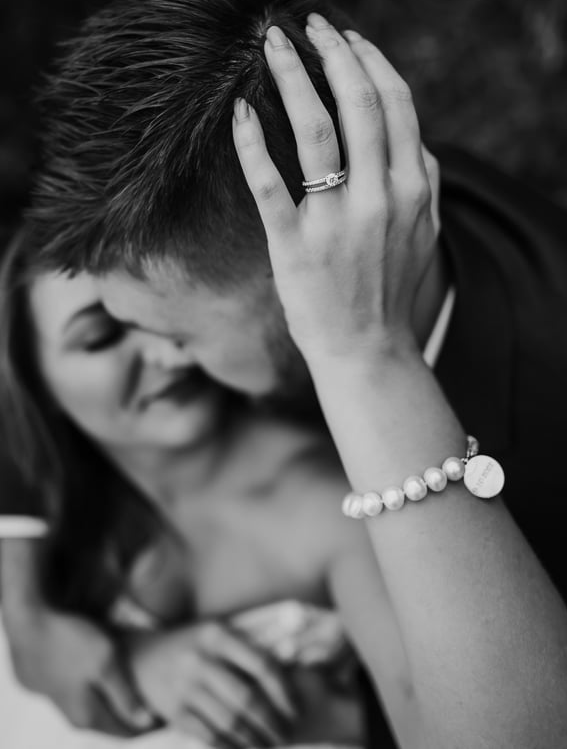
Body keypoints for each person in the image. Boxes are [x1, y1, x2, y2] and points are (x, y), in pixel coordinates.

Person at [1, 0, 567, 746]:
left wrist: (364, 358)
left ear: (315, 285)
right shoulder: (346, 175)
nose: (167, 367)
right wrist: (28, 610)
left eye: (172, 335)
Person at [0, 229, 395, 748]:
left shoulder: (334, 500)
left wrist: (304, 708)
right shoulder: (49, 507)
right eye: (101, 338)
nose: (165, 354)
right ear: (38, 385)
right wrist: (132, 657)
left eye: (159, 315)